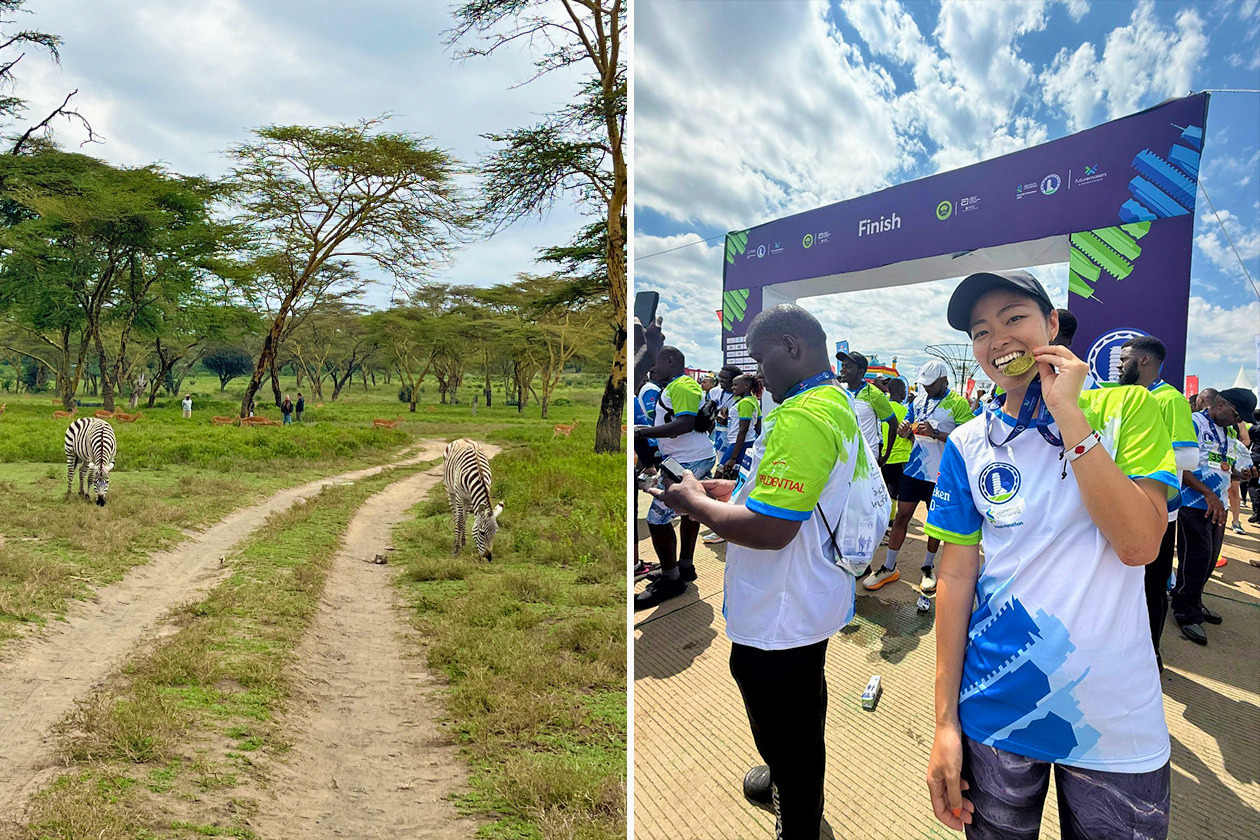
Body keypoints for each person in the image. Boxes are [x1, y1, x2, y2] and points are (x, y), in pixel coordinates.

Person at [925, 269, 1177, 839]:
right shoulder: (968, 443)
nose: (997, 340)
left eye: (1014, 318)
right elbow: (957, 577)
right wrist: (944, 723)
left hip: (1113, 718)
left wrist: (1068, 412)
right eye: (980, 330)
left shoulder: (1127, 410)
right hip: (995, 710)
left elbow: (1139, 544)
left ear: (1052, 325)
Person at [650, 303, 863, 840]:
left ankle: (798, 819)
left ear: (791, 346)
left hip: (780, 607)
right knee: (801, 701)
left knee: (783, 713)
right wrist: (729, 494)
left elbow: (770, 530)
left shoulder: (800, 415)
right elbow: (797, 495)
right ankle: (786, 780)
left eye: (762, 357)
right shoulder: (834, 403)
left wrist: (693, 504)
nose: (756, 371)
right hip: (808, 596)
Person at [1116, 335, 1198, 666]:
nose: (1119, 365)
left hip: (1157, 513)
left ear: (1145, 361)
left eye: (1124, 359)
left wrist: (1132, 453)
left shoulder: (1169, 399)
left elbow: (1189, 456)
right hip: (1124, 507)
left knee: (1151, 586)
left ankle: (1151, 656)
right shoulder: (1130, 397)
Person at [865, 360, 973, 594]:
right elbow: (909, 430)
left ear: (944, 380)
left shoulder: (958, 403)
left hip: (941, 474)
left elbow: (968, 438)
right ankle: (889, 566)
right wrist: (904, 431)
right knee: (902, 516)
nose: (926, 389)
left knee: (933, 525)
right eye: (923, 384)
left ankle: (927, 567)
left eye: (931, 385)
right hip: (914, 469)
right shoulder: (919, 400)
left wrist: (936, 433)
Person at [1172, 387, 1256, 645]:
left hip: (1217, 507)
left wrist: (1243, 475)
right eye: (1236, 415)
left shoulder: (1227, 431)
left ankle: (1193, 601)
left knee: (1208, 560)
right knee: (1195, 561)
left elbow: (1225, 468)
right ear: (1221, 405)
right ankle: (1186, 613)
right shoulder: (1193, 423)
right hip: (1193, 503)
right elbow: (1177, 464)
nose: (1238, 422)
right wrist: (1207, 493)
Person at [633, 346, 715, 609]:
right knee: (690, 512)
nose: (653, 368)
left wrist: (644, 433)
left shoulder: (682, 387)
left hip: (689, 460)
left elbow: (686, 423)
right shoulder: (677, 386)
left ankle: (671, 579)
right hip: (685, 457)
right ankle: (684, 566)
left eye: (657, 361)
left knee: (656, 519)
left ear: (670, 360)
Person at [835, 350, 896, 469]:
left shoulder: (874, 394)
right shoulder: (840, 391)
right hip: (844, 456)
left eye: (848, 366)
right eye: (843, 366)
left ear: (860, 371)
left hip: (867, 458)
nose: (842, 370)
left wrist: (886, 455)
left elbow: (893, 424)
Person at [881, 378, 912, 519]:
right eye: (905, 390)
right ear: (900, 391)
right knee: (895, 492)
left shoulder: (884, 408)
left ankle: (885, 518)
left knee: (885, 490)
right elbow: (910, 433)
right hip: (901, 457)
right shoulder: (904, 411)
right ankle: (891, 520)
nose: (905, 393)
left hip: (884, 456)